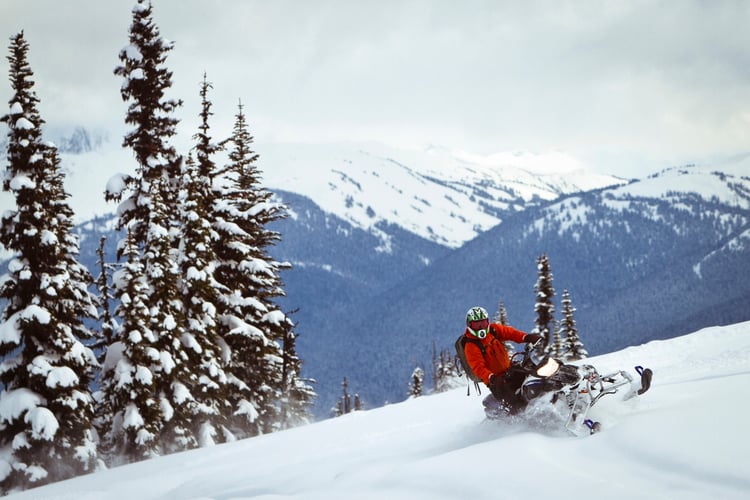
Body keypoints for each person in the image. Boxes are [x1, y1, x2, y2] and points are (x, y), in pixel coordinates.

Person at [462, 306, 542, 416]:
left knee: (536, 376)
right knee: (515, 405)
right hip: (497, 381)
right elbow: (478, 368)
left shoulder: (493, 330)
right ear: (470, 325)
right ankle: (522, 424)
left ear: (488, 322)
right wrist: (492, 378)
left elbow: (510, 333)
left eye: (483, 323)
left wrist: (527, 337)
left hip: (509, 369)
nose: (481, 327)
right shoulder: (471, 345)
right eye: (477, 324)